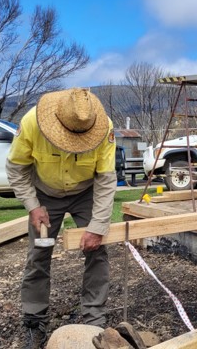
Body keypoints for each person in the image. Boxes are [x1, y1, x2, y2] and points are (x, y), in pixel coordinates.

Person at [6, 88, 117, 348]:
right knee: (38, 255)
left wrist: (98, 226)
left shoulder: (104, 129)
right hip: (45, 193)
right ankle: (35, 322)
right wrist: (33, 206)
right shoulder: (32, 122)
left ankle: (93, 319)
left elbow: (106, 180)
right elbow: (16, 168)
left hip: (86, 192)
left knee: (97, 253)